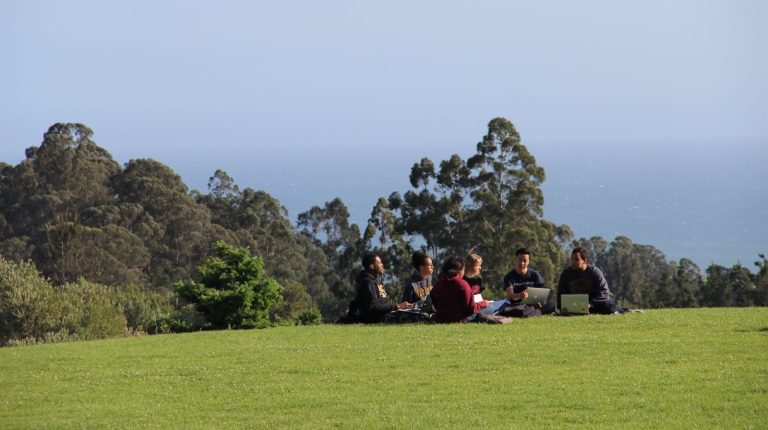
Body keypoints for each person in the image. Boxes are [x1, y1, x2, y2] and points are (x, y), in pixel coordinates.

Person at [557, 247, 627, 314]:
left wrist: (591, 304)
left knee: (607, 305)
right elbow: (561, 293)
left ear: (584, 260)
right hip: (579, 305)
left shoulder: (594, 272)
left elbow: (604, 292)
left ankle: (622, 310)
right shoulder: (566, 274)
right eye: (572, 259)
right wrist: (561, 308)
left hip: (597, 303)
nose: (573, 262)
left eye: (576, 259)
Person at [348, 254, 413, 323]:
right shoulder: (367, 283)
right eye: (379, 263)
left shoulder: (376, 279)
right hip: (376, 320)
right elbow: (373, 308)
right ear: (372, 266)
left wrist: (398, 308)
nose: (382, 265)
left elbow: (383, 302)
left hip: (386, 315)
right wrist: (397, 306)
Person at [429, 256, 489, 323]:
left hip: (440, 319)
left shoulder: (438, 284)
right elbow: (471, 309)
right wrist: (484, 303)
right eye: (463, 269)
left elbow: (433, 298)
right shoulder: (462, 284)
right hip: (459, 320)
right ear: (459, 270)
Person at [500, 248, 555, 317]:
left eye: (525, 261)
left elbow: (540, 294)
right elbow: (511, 296)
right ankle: (537, 312)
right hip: (517, 306)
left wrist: (539, 302)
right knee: (515, 311)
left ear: (528, 262)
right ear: (515, 260)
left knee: (551, 305)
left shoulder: (535, 275)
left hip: (533, 305)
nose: (522, 263)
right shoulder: (509, 277)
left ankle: (534, 312)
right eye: (520, 260)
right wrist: (520, 295)